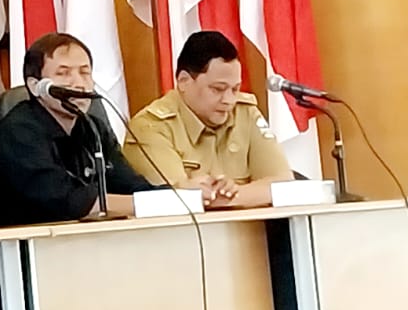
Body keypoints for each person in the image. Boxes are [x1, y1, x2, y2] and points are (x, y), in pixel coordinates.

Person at [0, 32, 156, 228]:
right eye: (63, 73)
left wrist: (174, 198)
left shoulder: (93, 128)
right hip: (20, 242)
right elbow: (69, 202)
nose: (78, 83)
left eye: (85, 73)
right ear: (36, 86)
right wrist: (148, 204)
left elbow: (130, 185)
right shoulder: (18, 131)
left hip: (81, 240)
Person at [124, 30, 292, 209]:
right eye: (217, 89)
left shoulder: (245, 113)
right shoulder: (150, 127)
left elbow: (284, 185)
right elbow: (174, 203)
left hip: (252, 226)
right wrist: (249, 195)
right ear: (183, 81)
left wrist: (229, 195)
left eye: (235, 89)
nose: (229, 100)